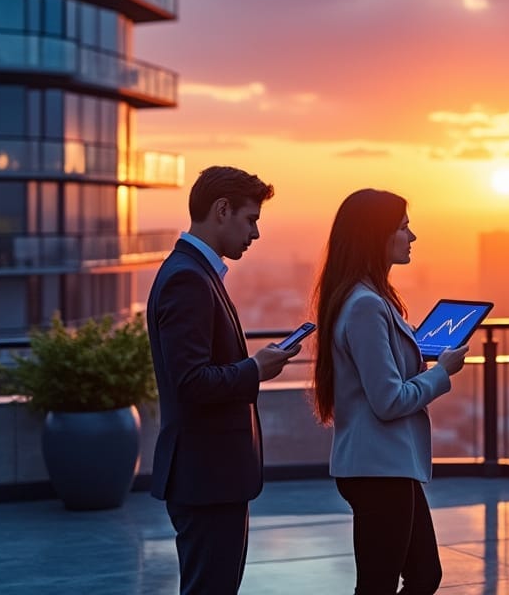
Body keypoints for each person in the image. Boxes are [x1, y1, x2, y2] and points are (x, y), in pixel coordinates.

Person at [147, 165, 300, 595]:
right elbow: (191, 383)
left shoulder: (196, 272)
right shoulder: (187, 279)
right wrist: (256, 369)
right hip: (206, 478)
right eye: (250, 219)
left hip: (211, 477)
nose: (255, 234)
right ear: (221, 210)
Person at [311, 189, 469, 595]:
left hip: (386, 466)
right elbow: (389, 400)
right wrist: (441, 373)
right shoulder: (366, 305)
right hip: (378, 468)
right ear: (375, 236)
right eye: (403, 228)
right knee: (382, 584)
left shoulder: (367, 298)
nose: (412, 237)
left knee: (422, 575)